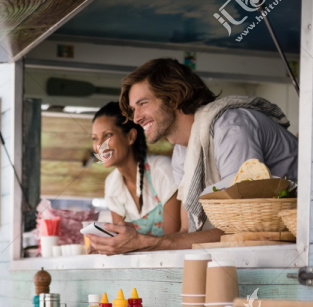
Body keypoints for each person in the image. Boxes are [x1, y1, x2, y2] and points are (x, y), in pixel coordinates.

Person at [89, 57, 298, 255]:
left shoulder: (231, 127)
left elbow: (244, 229)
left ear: (173, 97)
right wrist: (134, 241)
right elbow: (188, 234)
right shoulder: (183, 151)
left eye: (143, 103)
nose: (136, 117)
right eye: (134, 109)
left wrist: (147, 243)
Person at [92, 101, 180, 236]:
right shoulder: (112, 183)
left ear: (130, 136)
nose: (99, 145)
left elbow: (173, 239)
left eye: (108, 135)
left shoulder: (161, 170)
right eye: (95, 138)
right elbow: (120, 240)